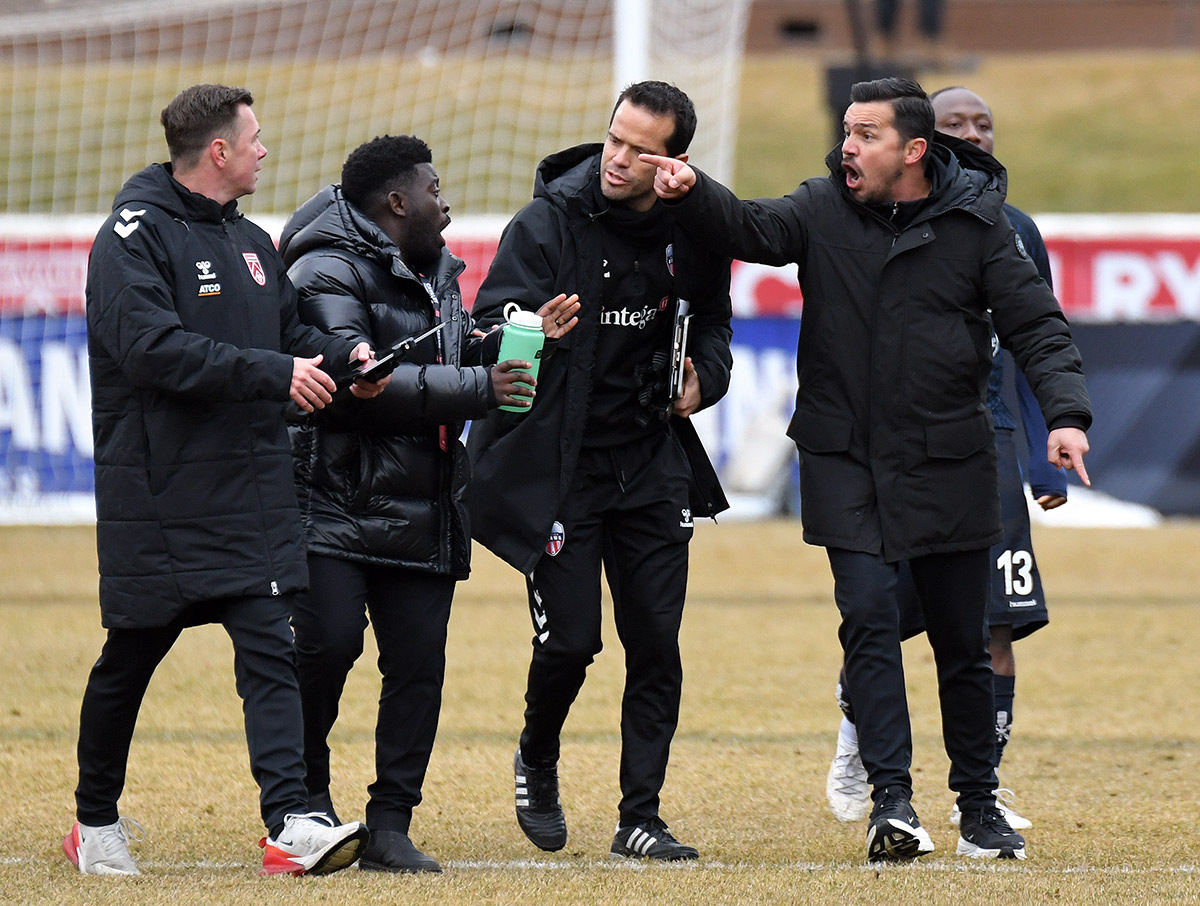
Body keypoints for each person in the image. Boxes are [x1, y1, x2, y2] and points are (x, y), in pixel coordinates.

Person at [643, 77, 1091, 863]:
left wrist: (1066, 416)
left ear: (913, 151)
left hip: (951, 455)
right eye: (846, 131)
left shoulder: (979, 224)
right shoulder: (820, 207)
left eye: (867, 134)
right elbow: (749, 225)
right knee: (870, 620)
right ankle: (893, 802)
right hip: (843, 455)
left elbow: (1038, 328)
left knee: (961, 637)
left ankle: (979, 806)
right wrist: (688, 189)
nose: (847, 146)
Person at [65, 84, 383, 877]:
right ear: (219, 151)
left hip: (252, 491)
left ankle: (291, 822)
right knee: (128, 661)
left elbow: (287, 334)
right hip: (163, 498)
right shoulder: (130, 239)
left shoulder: (250, 239)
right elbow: (153, 353)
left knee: (269, 650)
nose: (264, 151)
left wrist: (341, 356)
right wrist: (278, 374)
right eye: (256, 138)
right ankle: (94, 823)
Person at [277, 134, 579, 873]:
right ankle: (306, 808)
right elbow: (359, 382)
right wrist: (485, 387)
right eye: (436, 189)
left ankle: (389, 824)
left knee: (418, 667)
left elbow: (431, 356)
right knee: (327, 648)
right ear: (397, 201)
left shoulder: (435, 270)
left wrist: (508, 340)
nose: (447, 204)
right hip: (333, 504)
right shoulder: (322, 269)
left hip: (425, 502)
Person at [466, 81, 733, 861]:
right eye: (614, 139)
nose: (618, 159)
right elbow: (486, 335)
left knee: (655, 643)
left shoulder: (695, 231)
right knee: (571, 643)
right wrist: (531, 334)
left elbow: (713, 322)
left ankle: (639, 818)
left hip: (652, 466)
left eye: (641, 149)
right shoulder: (545, 223)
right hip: (561, 472)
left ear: (673, 161)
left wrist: (702, 380)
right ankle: (537, 755)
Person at [825, 85, 1068, 832]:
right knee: (893, 611)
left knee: (993, 620)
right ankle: (857, 727)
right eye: (957, 121)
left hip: (987, 439)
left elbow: (1035, 340)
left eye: (984, 122)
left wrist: (1045, 460)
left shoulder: (1012, 227)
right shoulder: (871, 215)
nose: (975, 132)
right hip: (900, 443)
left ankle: (984, 787)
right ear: (925, 138)